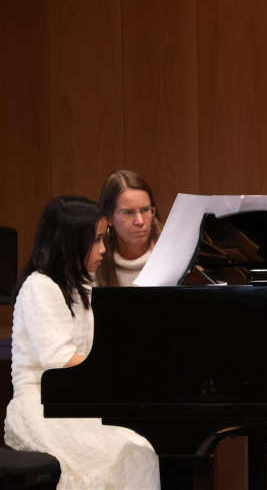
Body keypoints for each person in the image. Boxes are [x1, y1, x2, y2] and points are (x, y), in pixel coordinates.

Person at [4, 196, 160, 488]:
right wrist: (119, 376)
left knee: (140, 448)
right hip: (41, 405)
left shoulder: (81, 287)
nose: (103, 249)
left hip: (74, 402)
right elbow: (60, 359)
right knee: (124, 452)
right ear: (67, 244)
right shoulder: (40, 287)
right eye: (97, 240)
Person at [96, 170, 162, 286]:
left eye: (145, 210)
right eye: (128, 212)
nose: (140, 221)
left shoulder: (173, 258)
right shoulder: (96, 262)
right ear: (109, 218)